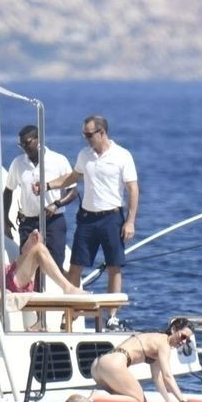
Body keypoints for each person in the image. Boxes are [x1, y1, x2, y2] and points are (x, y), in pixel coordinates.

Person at [43, 115, 138, 328]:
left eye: (89, 135)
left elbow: (133, 189)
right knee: (75, 265)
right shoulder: (84, 155)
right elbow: (73, 177)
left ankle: (111, 316)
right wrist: (48, 185)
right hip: (87, 219)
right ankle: (72, 311)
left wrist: (130, 221)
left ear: (102, 132)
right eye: (84, 135)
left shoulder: (122, 155)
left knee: (114, 266)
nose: (86, 139)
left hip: (111, 218)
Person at [1, 124, 75, 290]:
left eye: (27, 143)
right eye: (21, 145)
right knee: (28, 262)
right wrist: (5, 218)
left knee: (54, 261)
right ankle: (35, 298)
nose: (24, 147)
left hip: (53, 220)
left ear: (39, 140)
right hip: (28, 221)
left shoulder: (58, 160)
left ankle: (60, 291)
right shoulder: (18, 163)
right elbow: (8, 190)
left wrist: (56, 204)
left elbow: (73, 191)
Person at [71, 317, 194, 402]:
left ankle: (86, 399)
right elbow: (168, 376)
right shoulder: (164, 343)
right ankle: (98, 396)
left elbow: (157, 378)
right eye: (183, 336)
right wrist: (182, 401)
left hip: (99, 365)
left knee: (122, 397)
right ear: (173, 329)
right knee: (139, 401)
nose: (184, 342)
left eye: (187, 340)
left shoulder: (157, 339)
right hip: (113, 364)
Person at [0, 225, 85, 295]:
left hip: (8, 275)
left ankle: (28, 249)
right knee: (39, 249)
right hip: (1, 282)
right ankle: (68, 288)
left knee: (36, 246)